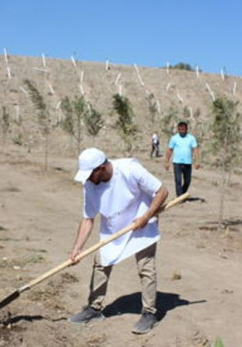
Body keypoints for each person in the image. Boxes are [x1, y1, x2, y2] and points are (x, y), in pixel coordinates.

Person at [68, 148, 169, 334]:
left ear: (102, 167)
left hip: (140, 222)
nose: (88, 179)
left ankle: (149, 313)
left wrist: (146, 217)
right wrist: (77, 248)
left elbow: (162, 191)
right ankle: (94, 308)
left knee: (145, 267)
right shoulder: (90, 185)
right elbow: (88, 218)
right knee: (100, 263)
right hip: (113, 228)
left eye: (91, 174)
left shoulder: (129, 169)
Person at [164, 121, 200, 197]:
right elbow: (169, 150)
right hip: (177, 162)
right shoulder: (174, 138)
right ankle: (179, 197)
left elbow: (195, 149)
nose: (182, 131)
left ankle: (182, 194)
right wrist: (166, 161)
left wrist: (197, 161)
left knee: (187, 181)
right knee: (178, 180)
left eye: (183, 129)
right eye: (180, 129)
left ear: (186, 129)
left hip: (188, 162)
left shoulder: (191, 138)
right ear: (178, 129)